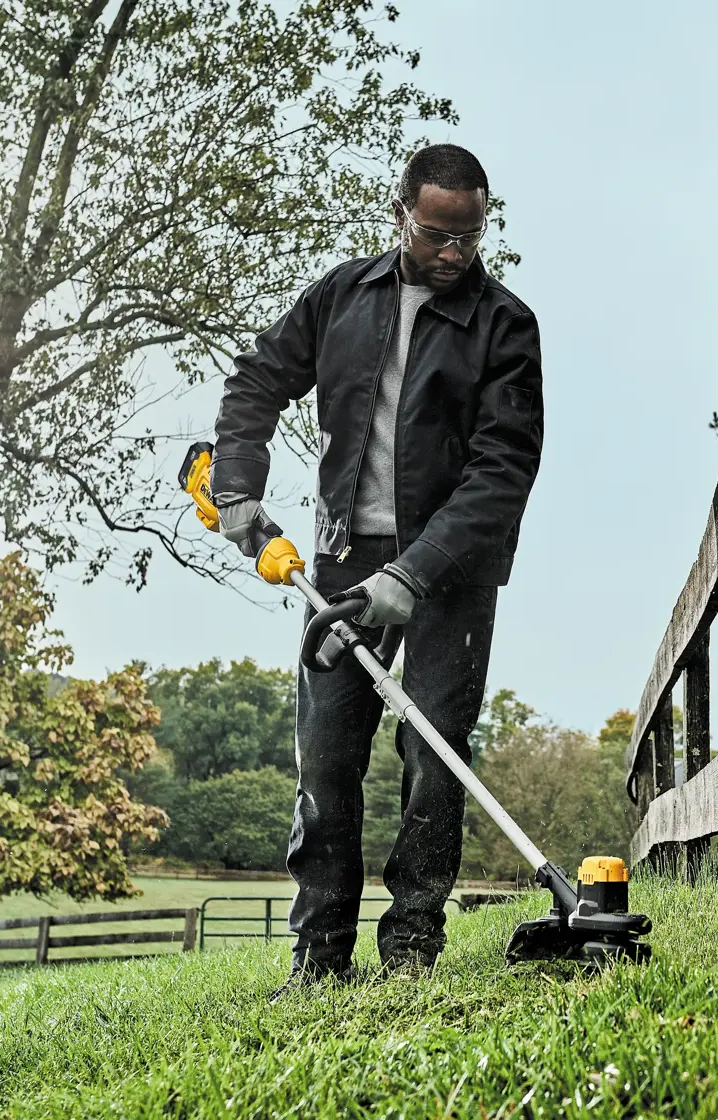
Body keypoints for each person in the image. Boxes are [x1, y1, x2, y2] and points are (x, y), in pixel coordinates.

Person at [211, 144, 543, 982]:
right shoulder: (341, 297)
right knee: (325, 757)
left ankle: (412, 948)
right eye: (437, 234)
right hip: (340, 559)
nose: (454, 253)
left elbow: (503, 469)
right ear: (399, 215)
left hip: (451, 571)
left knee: (435, 754)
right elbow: (254, 382)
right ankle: (320, 956)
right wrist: (238, 482)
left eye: (470, 236)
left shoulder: (506, 324)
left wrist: (416, 573)